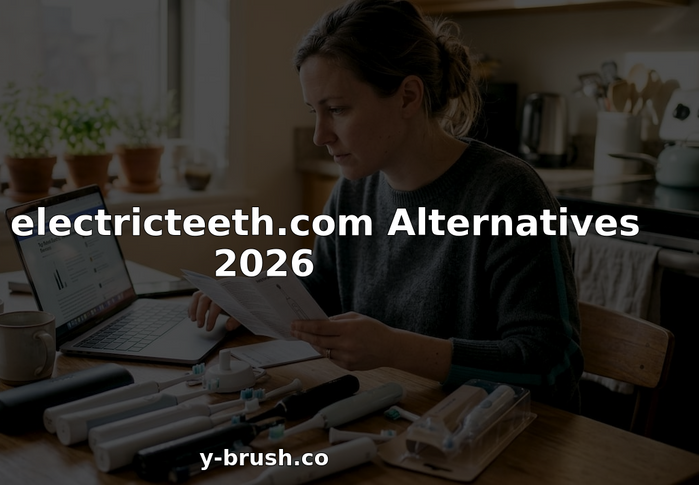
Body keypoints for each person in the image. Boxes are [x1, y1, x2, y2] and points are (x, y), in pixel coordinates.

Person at [190, 0, 583, 411]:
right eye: (314, 112)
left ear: (408, 97)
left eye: (337, 110)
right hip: (392, 415)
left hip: (489, 434)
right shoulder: (352, 192)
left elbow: (554, 365)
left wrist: (395, 349)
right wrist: (249, 301)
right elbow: (320, 292)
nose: (320, 136)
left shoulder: (509, 195)